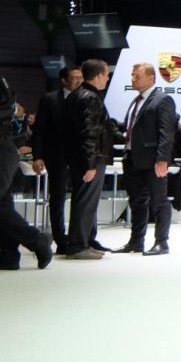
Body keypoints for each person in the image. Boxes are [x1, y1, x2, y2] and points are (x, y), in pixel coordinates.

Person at [115, 62, 176, 256]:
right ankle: (136, 241)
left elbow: (167, 132)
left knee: (159, 201)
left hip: (153, 161)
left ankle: (161, 243)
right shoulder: (136, 100)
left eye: (137, 76)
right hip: (132, 158)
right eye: (132, 75)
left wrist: (162, 159)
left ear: (151, 78)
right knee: (136, 202)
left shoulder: (163, 99)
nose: (133, 79)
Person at [0, 75, 53, 270]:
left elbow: (10, 110)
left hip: (2, 149)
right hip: (5, 149)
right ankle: (8, 254)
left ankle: (37, 240)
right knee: (3, 205)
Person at [64, 58, 113, 260]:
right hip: (89, 159)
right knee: (85, 202)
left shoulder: (76, 95)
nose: (108, 79)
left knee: (84, 200)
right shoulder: (90, 97)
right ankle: (78, 245)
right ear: (99, 75)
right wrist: (91, 163)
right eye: (106, 75)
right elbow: (90, 132)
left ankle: (85, 241)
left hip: (78, 157)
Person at [30, 65, 82, 253]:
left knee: (82, 197)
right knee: (58, 197)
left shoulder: (87, 98)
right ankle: (60, 240)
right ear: (64, 80)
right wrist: (37, 155)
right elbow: (39, 130)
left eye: (81, 77)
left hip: (80, 156)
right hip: (56, 155)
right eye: (74, 77)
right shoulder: (50, 99)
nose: (79, 81)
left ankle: (82, 238)